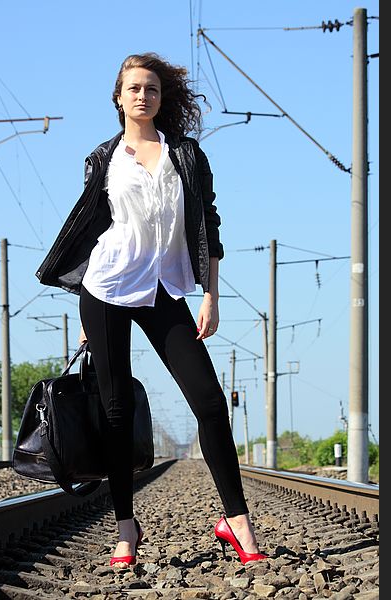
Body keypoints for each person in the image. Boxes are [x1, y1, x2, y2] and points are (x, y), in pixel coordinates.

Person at [36, 52, 267, 568]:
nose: (143, 95)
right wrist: (83, 315)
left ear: (163, 99)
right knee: (116, 414)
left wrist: (211, 293)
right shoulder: (102, 158)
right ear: (119, 97)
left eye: (153, 89)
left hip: (166, 288)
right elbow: (92, 229)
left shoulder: (185, 153)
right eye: (135, 88)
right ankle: (125, 530)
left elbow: (209, 222)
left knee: (209, 403)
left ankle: (237, 522)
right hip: (107, 286)